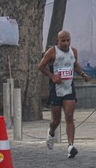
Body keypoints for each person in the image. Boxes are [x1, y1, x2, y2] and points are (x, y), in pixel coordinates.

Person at [38, 30, 90, 159]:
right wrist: (52, 76)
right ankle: (51, 133)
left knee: (69, 116)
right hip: (56, 89)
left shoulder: (74, 51)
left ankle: (70, 146)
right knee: (56, 120)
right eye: (63, 41)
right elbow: (41, 66)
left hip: (69, 89)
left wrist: (82, 74)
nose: (66, 43)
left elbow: (75, 64)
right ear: (58, 41)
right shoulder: (52, 52)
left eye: (68, 40)